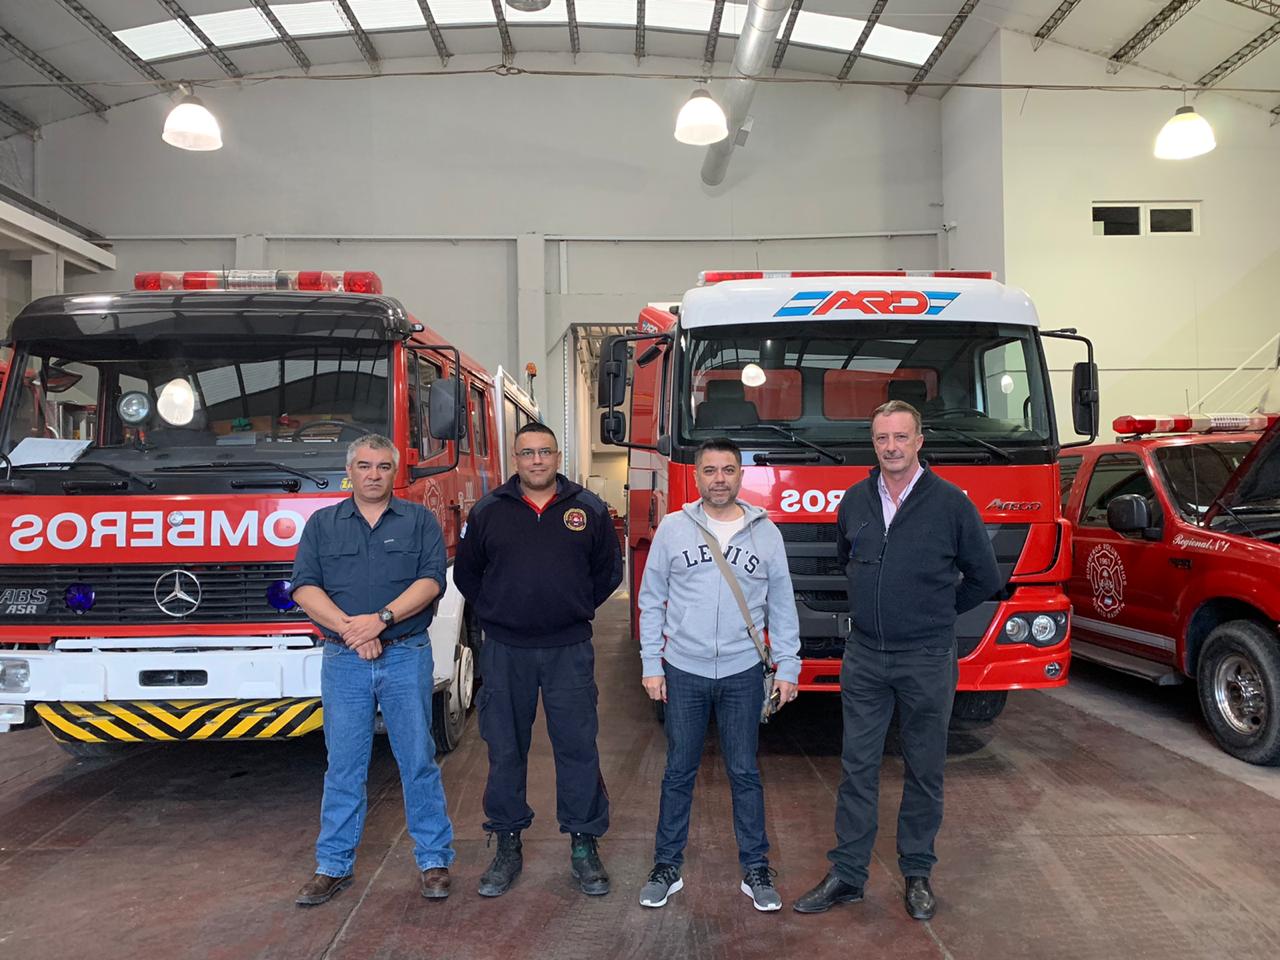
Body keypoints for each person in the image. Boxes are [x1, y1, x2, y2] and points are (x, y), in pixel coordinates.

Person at [794, 400, 1001, 920]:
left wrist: (934, 612)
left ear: (919, 441)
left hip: (927, 657)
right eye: (882, 438)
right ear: (874, 443)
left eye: (901, 437)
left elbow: (984, 578)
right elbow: (847, 560)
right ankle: (847, 874)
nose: (891, 447)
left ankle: (917, 874)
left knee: (924, 767)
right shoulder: (856, 500)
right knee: (857, 766)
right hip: (865, 655)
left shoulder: (951, 503)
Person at [454, 422, 623, 898]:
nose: (536, 460)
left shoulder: (587, 509)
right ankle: (508, 843)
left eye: (545, 452)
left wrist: (571, 607)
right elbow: (468, 574)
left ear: (557, 456)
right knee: (505, 749)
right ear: (515, 458)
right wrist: (499, 612)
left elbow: (608, 571)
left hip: (569, 649)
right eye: (527, 453)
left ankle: (584, 844)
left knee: (578, 747)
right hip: (506, 651)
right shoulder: (489, 511)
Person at [636, 437, 800, 912]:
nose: (720, 479)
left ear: (741, 476)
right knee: (677, 772)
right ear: (697, 476)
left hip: (742, 672)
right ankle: (666, 867)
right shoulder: (672, 528)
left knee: (744, 771)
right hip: (683, 670)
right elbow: (651, 600)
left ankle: (756, 868)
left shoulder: (765, 533)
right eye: (710, 470)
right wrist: (652, 663)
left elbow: (782, 604)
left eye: (728, 470)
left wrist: (788, 664)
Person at [290, 433, 454, 906]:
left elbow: (431, 581)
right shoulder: (323, 524)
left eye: (383, 466)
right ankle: (333, 866)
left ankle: (434, 861)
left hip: (405, 653)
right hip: (344, 660)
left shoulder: (419, 520)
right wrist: (351, 631)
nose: (374, 474)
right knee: (343, 764)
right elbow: (304, 587)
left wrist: (380, 621)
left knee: (417, 760)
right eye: (365, 465)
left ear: (394, 471)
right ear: (351, 471)